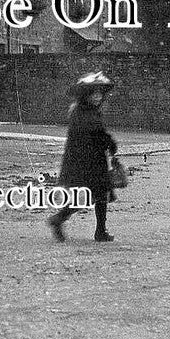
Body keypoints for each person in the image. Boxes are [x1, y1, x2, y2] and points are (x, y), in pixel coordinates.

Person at [48, 71, 119, 243]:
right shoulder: (83, 112)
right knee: (91, 196)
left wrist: (107, 143)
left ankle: (100, 230)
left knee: (99, 194)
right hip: (86, 162)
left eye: (100, 94)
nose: (97, 97)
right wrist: (108, 142)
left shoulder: (89, 111)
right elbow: (94, 134)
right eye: (94, 94)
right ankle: (59, 219)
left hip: (92, 160)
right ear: (86, 95)